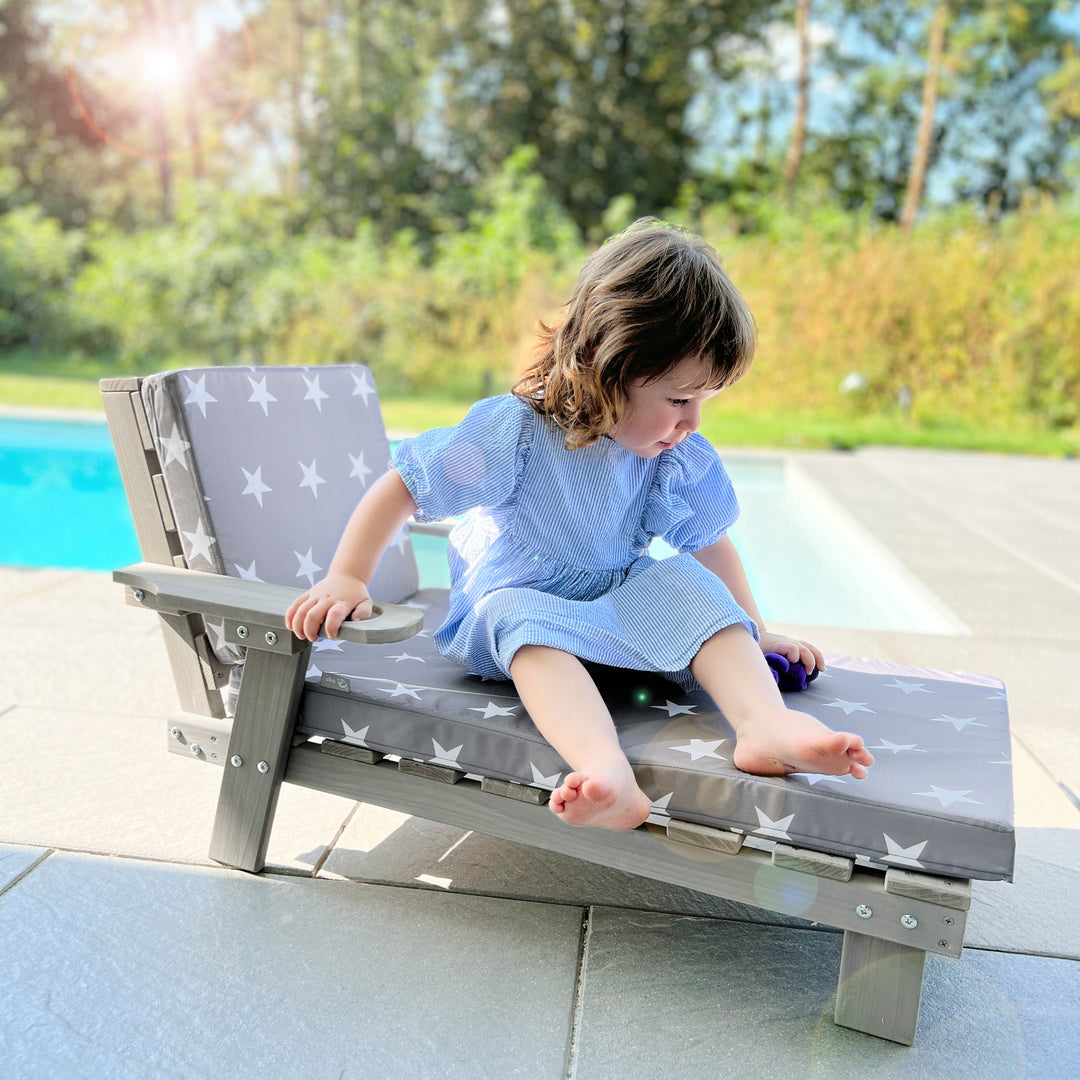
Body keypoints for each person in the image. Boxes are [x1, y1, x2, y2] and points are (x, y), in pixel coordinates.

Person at [286, 218, 874, 832]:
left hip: (613, 614)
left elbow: (708, 544)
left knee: (688, 584)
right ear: (609, 366)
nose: (693, 421)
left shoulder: (669, 456)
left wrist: (753, 631)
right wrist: (348, 577)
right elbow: (404, 486)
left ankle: (764, 724)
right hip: (522, 616)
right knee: (518, 613)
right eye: (678, 400)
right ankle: (606, 771)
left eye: (704, 401)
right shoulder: (515, 434)